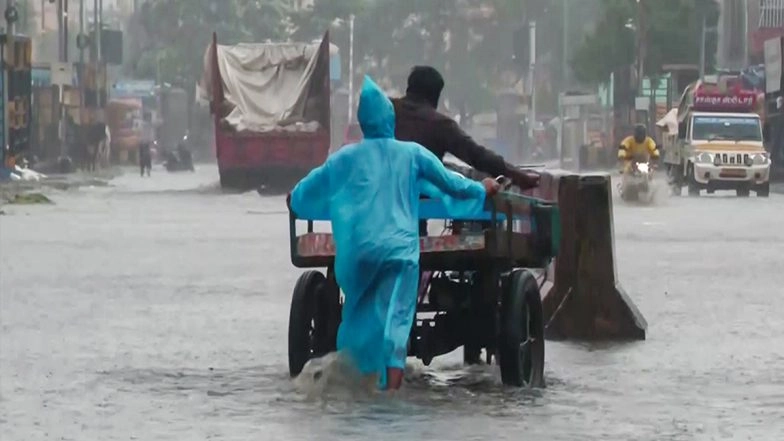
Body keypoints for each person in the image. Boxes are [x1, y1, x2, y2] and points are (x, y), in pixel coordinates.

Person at [288, 76, 500, 391]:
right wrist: (482, 190)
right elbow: (451, 183)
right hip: (399, 254)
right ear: (389, 119)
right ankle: (390, 394)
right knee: (396, 322)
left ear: (363, 122)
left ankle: (355, 382)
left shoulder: (346, 157)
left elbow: (306, 190)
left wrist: (294, 198)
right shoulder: (412, 154)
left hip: (358, 254)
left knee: (357, 314)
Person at [391, 66, 540, 190]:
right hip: (421, 192)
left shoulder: (386, 111)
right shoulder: (440, 124)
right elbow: (478, 156)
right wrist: (518, 175)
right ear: (436, 95)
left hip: (384, 186)